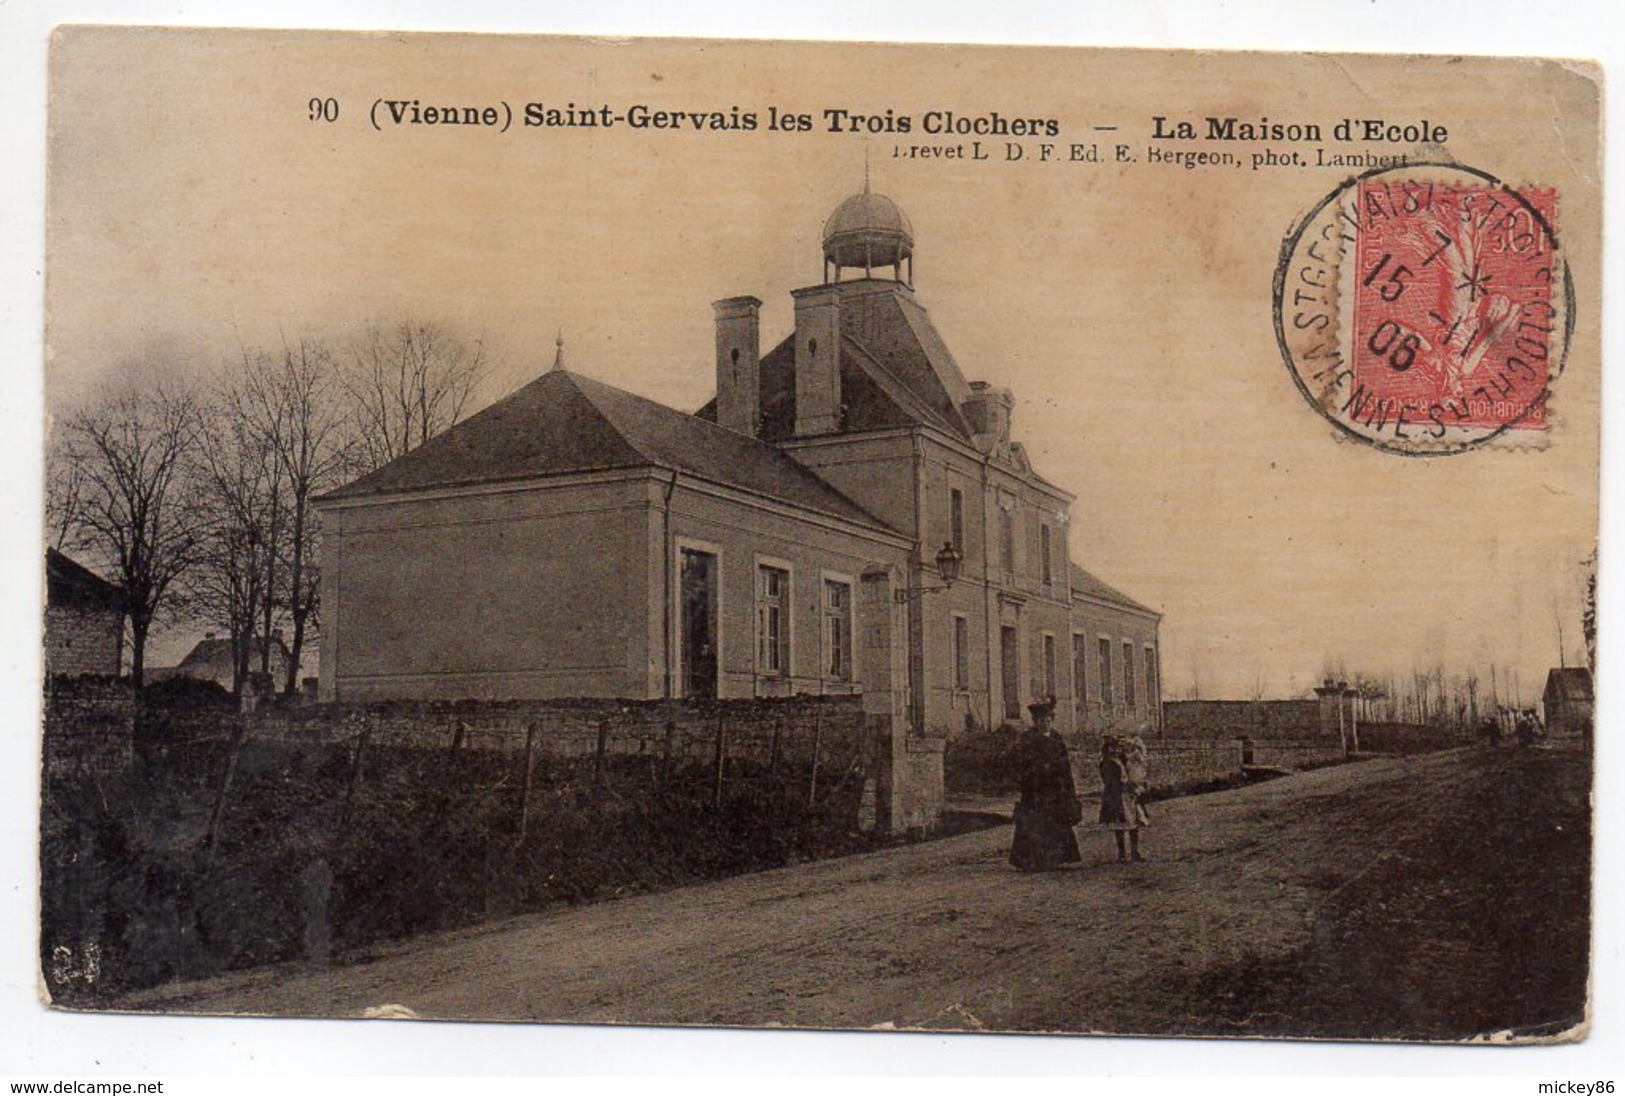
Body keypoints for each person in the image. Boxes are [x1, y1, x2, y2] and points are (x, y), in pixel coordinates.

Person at [1008, 699, 1082, 872]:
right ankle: (1032, 860)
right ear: (1035, 722)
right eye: (1042, 720)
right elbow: (1020, 763)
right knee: (1035, 824)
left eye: (1048, 720)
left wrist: (1069, 789)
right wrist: (1035, 772)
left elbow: (1065, 765)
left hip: (1056, 789)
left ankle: (1056, 858)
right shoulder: (1028, 739)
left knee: (1055, 822)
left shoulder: (1057, 738)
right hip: (1035, 790)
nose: (1046, 723)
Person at [1098, 736, 1148, 862]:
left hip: (1129, 796)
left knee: (1134, 824)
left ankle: (1134, 851)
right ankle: (1121, 853)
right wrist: (1125, 785)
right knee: (1119, 825)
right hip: (1116, 796)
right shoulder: (1106, 763)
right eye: (1111, 748)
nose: (1114, 751)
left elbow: (1134, 772)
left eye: (1116, 748)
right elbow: (1109, 782)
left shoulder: (1124, 760)